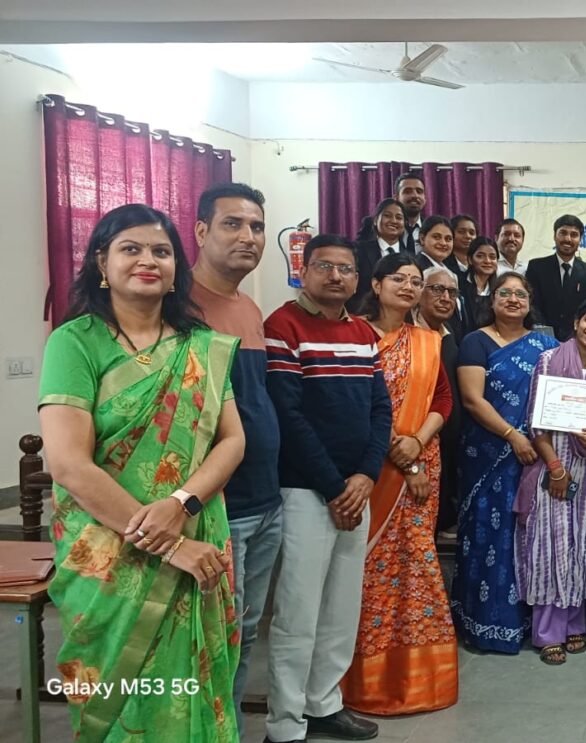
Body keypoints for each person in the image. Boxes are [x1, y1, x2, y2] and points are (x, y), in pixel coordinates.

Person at [38, 204, 244, 741]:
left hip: (196, 528)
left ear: (176, 268)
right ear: (101, 263)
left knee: (196, 687)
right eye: (131, 249)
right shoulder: (75, 342)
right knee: (121, 695)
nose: (148, 260)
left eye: (161, 251)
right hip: (108, 550)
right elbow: (68, 463)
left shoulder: (201, 345)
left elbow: (232, 440)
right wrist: (169, 544)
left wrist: (181, 505)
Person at [263, 233, 391, 743]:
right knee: (298, 610)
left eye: (346, 269)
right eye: (324, 266)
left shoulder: (362, 332)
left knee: (341, 607)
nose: (336, 276)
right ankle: (285, 723)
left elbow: (380, 409)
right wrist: (335, 486)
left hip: (355, 490)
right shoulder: (283, 326)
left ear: (358, 278)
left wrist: (366, 475)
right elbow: (288, 416)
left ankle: (324, 703)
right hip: (305, 491)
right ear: (305, 270)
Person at [340, 253, 457, 715]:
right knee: (366, 573)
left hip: (422, 463)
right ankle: (359, 681)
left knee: (417, 565)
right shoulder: (355, 335)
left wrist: (417, 443)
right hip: (371, 468)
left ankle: (419, 679)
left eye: (415, 281)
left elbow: (442, 399)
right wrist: (402, 457)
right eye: (399, 279)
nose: (408, 287)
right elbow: (356, 403)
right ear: (376, 283)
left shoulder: (427, 341)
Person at [188, 183, 282, 721]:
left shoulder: (248, 307)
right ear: (201, 231)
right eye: (233, 224)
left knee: (244, 630)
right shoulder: (177, 307)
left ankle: (225, 729)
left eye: (257, 227)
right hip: (216, 502)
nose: (248, 236)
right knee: (209, 635)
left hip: (264, 496)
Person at [452, 272, 559, 653]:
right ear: (492, 299)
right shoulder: (475, 341)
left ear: (529, 303)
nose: (513, 299)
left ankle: (529, 621)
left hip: (537, 454)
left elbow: (564, 392)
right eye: (505, 293)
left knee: (528, 533)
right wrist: (513, 436)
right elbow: (472, 399)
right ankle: (483, 621)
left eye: (520, 294)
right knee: (488, 533)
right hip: (488, 453)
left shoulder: (546, 345)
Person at [514, 297, 586, 665]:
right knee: (550, 544)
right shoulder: (549, 360)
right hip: (553, 466)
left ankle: (574, 623)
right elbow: (535, 422)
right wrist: (555, 468)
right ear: (575, 322)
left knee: (582, 544)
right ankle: (547, 632)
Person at [417, 265, 465, 540]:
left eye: (452, 292)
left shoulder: (449, 335)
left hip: (445, 439)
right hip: (413, 441)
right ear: (419, 292)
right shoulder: (407, 334)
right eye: (437, 289)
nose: (446, 297)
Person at [525, 214, 586, 341]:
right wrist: (546, 334)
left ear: (580, 239)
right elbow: (532, 304)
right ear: (554, 236)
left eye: (574, 235)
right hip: (542, 338)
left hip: (578, 340)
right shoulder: (537, 267)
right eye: (563, 233)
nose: (568, 239)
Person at [351, 198, 407, 313]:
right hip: (362, 315)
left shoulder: (411, 257)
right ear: (376, 220)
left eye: (399, 217)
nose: (394, 221)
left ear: (404, 224)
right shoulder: (358, 250)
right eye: (387, 216)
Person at [463, 236, 500, 321]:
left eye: (492, 257)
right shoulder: (459, 284)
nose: (487, 261)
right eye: (480, 256)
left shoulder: (498, 289)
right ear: (470, 259)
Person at [395, 171, 426, 254]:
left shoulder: (432, 229)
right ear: (396, 198)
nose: (415, 196)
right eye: (408, 191)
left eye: (419, 191)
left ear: (425, 198)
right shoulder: (382, 229)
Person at [446, 213, 478, 282]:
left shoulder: (479, 263)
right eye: (461, 232)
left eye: (472, 233)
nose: (468, 236)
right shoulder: (443, 262)